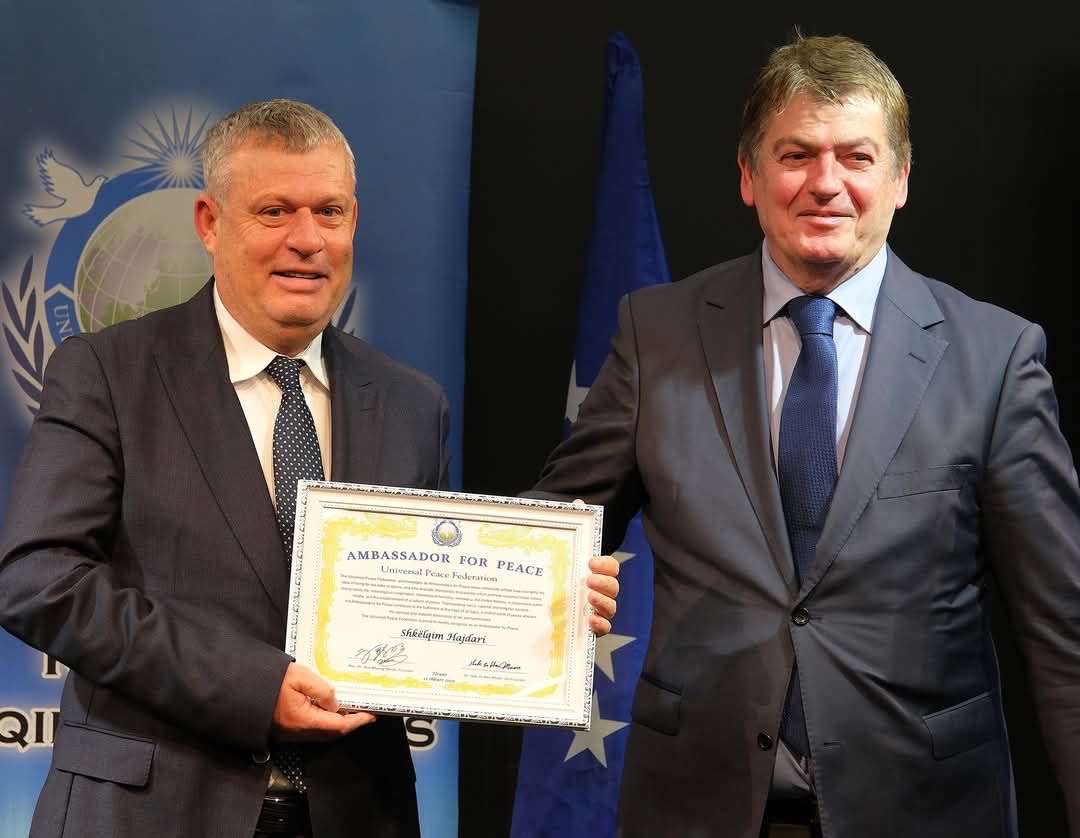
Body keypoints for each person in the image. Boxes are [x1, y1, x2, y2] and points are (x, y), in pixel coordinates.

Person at [0, 99, 619, 838]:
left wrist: (541, 609)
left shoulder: (411, 402)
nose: (307, 239)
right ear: (209, 222)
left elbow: (419, 608)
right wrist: (252, 687)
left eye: (329, 212)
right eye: (274, 211)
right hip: (148, 812)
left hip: (355, 813)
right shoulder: (107, 372)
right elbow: (40, 580)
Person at [530, 33, 1080, 838]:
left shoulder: (995, 357)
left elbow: (1064, 633)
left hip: (925, 812)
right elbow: (542, 541)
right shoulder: (657, 334)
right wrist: (544, 579)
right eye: (796, 155)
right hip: (698, 808)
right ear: (749, 176)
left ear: (900, 179)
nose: (826, 183)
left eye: (857, 157)